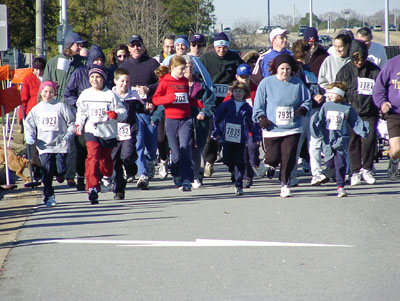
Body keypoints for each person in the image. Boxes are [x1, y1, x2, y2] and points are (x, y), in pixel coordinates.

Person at [253, 54, 312, 197]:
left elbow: (307, 101)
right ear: (276, 69)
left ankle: (285, 184)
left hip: (293, 127)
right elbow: (258, 105)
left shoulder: (298, 84)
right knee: (273, 157)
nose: (285, 71)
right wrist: (261, 117)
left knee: (289, 157)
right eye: (282, 69)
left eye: (288, 69)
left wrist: (303, 108)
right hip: (272, 128)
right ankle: (267, 164)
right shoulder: (266, 83)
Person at [75, 65, 127, 204]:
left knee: (106, 162)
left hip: (108, 133)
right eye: (92, 77)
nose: (94, 79)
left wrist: (116, 115)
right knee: (92, 157)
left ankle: (107, 176)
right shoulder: (85, 94)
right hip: (92, 130)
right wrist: (79, 124)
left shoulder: (110, 95)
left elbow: (123, 112)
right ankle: (92, 187)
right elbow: (81, 112)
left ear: (103, 79)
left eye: (98, 77)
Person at [42, 31, 87, 187]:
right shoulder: (54, 62)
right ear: (69, 45)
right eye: (77, 44)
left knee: (72, 143)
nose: (80, 47)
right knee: (55, 142)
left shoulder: (81, 64)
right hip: (55, 108)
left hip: (73, 108)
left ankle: (70, 174)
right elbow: (44, 86)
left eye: (81, 44)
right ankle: (58, 171)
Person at [311, 82, 369, 197]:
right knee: (329, 162)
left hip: (341, 140)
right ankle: (328, 171)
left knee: (341, 164)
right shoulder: (326, 106)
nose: (330, 95)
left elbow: (355, 121)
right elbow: (320, 120)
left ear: (341, 95)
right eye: (329, 93)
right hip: (328, 139)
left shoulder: (347, 108)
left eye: (333, 93)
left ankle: (340, 186)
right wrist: (315, 127)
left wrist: (362, 130)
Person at [336, 39, 380, 186]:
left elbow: (380, 90)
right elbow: (338, 91)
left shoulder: (374, 70)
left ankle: (366, 169)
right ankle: (355, 172)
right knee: (353, 143)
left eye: (362, 59)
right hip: (352, 113)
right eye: (356, 59)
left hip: (370, 112)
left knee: (369, 141)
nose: (359, 62)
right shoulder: (344, 71)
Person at [64, 44, 108, 191]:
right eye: (96, 60)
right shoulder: (80, 72)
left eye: (101, 60)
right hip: (83, 118)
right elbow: (68, 93)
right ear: (90, 61)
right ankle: (81, 176)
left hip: (102, 120)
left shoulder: (105, 74)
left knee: (99, 150)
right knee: (83, 149)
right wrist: (79, 104)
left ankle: (98, 177)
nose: (99, 63)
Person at [24, 81, 75, 207]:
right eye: (45, 92)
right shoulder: (36, 109)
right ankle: (49, 196)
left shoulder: (61, 106)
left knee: (60, 169)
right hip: (44, 147)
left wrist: (69, 133)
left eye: (51, 92)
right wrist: (30, 137)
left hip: (60, 145)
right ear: (41, 93)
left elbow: (72, 122)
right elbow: (29, 125)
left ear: (55, 93)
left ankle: (60, 174)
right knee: (47, 172)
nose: (48, 94)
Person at [200, 31, 244, 177]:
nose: (221, 50)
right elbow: (198, 76)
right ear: (214, 47)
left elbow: (243, 74)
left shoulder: (234, 58)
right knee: (212, 134)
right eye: (218, 47)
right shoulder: (206, 58)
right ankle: (209, 161)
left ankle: (232, 167)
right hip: (211, 102)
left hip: (229, 102)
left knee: (231, 134)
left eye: (224, 47)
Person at [153, 55, 199, 192]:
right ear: (172, 68)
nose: (183, 72)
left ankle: (187, 179)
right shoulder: (165, 81)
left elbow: (185, 98)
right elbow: (156, 99)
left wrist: (196, 103)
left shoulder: (185, 81)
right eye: (181, 69)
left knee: (186, 148)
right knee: (176, 152)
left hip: (185, 120)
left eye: (185, 69)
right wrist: (170, 98)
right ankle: (176, 174)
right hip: (171, 121)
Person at [120, 35, 159, 190]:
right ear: (129, 48)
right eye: (132, 45)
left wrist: (149, 90)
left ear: (143, 47)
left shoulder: (152, 63)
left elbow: (163, 82)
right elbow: (117, 86)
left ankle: (151, 161)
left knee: (151, 146)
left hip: (149, 111)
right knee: (139, 143)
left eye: (138, 45)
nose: (136, 48)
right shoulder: (124, 67)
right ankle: (142, 175)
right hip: (133, 113)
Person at [212, 81, 259, 195]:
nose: (238, 93)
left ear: (245, 93)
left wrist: (256, 135)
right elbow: (216, 117)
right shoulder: (226, 105)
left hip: (242, 138)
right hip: (227, 137)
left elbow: (253, 122)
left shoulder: (247, 108)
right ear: (232, 93)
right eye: (236, 91)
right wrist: (216, 131)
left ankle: (238, 183)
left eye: (240, 91)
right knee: (228, 158)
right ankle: (232, 170)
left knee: (240, 159)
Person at [183, 55, 215, 188]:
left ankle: (196, 176)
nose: (189, 70)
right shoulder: (176, 85)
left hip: (198, 123)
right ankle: (184, 176)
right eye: (185, 67)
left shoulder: (201, 86)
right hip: (182, 122)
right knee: (183, 149)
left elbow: (210, 104)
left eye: (191, 67)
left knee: (196, 150)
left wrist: (203, 112)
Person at [112, 68, 143, 200]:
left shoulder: (133, 95)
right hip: (112, 132)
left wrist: (147, 107)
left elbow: (141, 108)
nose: (125, 84)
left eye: (127, 81)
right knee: (115, 161)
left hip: (129, 130)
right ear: (115, 81)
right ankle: (119, 189)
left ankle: (131, 167)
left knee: (127, 155)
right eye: (122, 81)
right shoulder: (109, 96)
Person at [373, 54, 400, 180]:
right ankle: (394, 161)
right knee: (396, 149)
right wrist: (382, 103)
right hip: (394, 113)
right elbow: (378, 89)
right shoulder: (391, 64)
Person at [21, 57, 47, 182]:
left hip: (45, 115)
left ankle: (45, 169)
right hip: (31, 115)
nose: (38, 72)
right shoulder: (28, 79)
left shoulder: (48, 78)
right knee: (32, 145)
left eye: (40, 69)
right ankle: (35, 170)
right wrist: (22, 118)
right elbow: (23, 100)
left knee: (43, 143)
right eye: (36, 69)